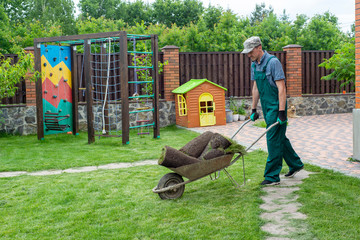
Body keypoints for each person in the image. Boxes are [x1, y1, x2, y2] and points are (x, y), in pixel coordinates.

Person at [241, 36, 304, 185]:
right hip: (267, 107)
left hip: (277, 106)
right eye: (247, 53)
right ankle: (296, 164)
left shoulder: (273, 63)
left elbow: (281, 88)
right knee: (279, 138)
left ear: (259, 47)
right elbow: (256, 87)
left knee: (273, 141)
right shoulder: (254, 65)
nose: (249, 55)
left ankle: (272, 177)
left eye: (251, 52)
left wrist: (282, 112)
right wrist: (254, 108)